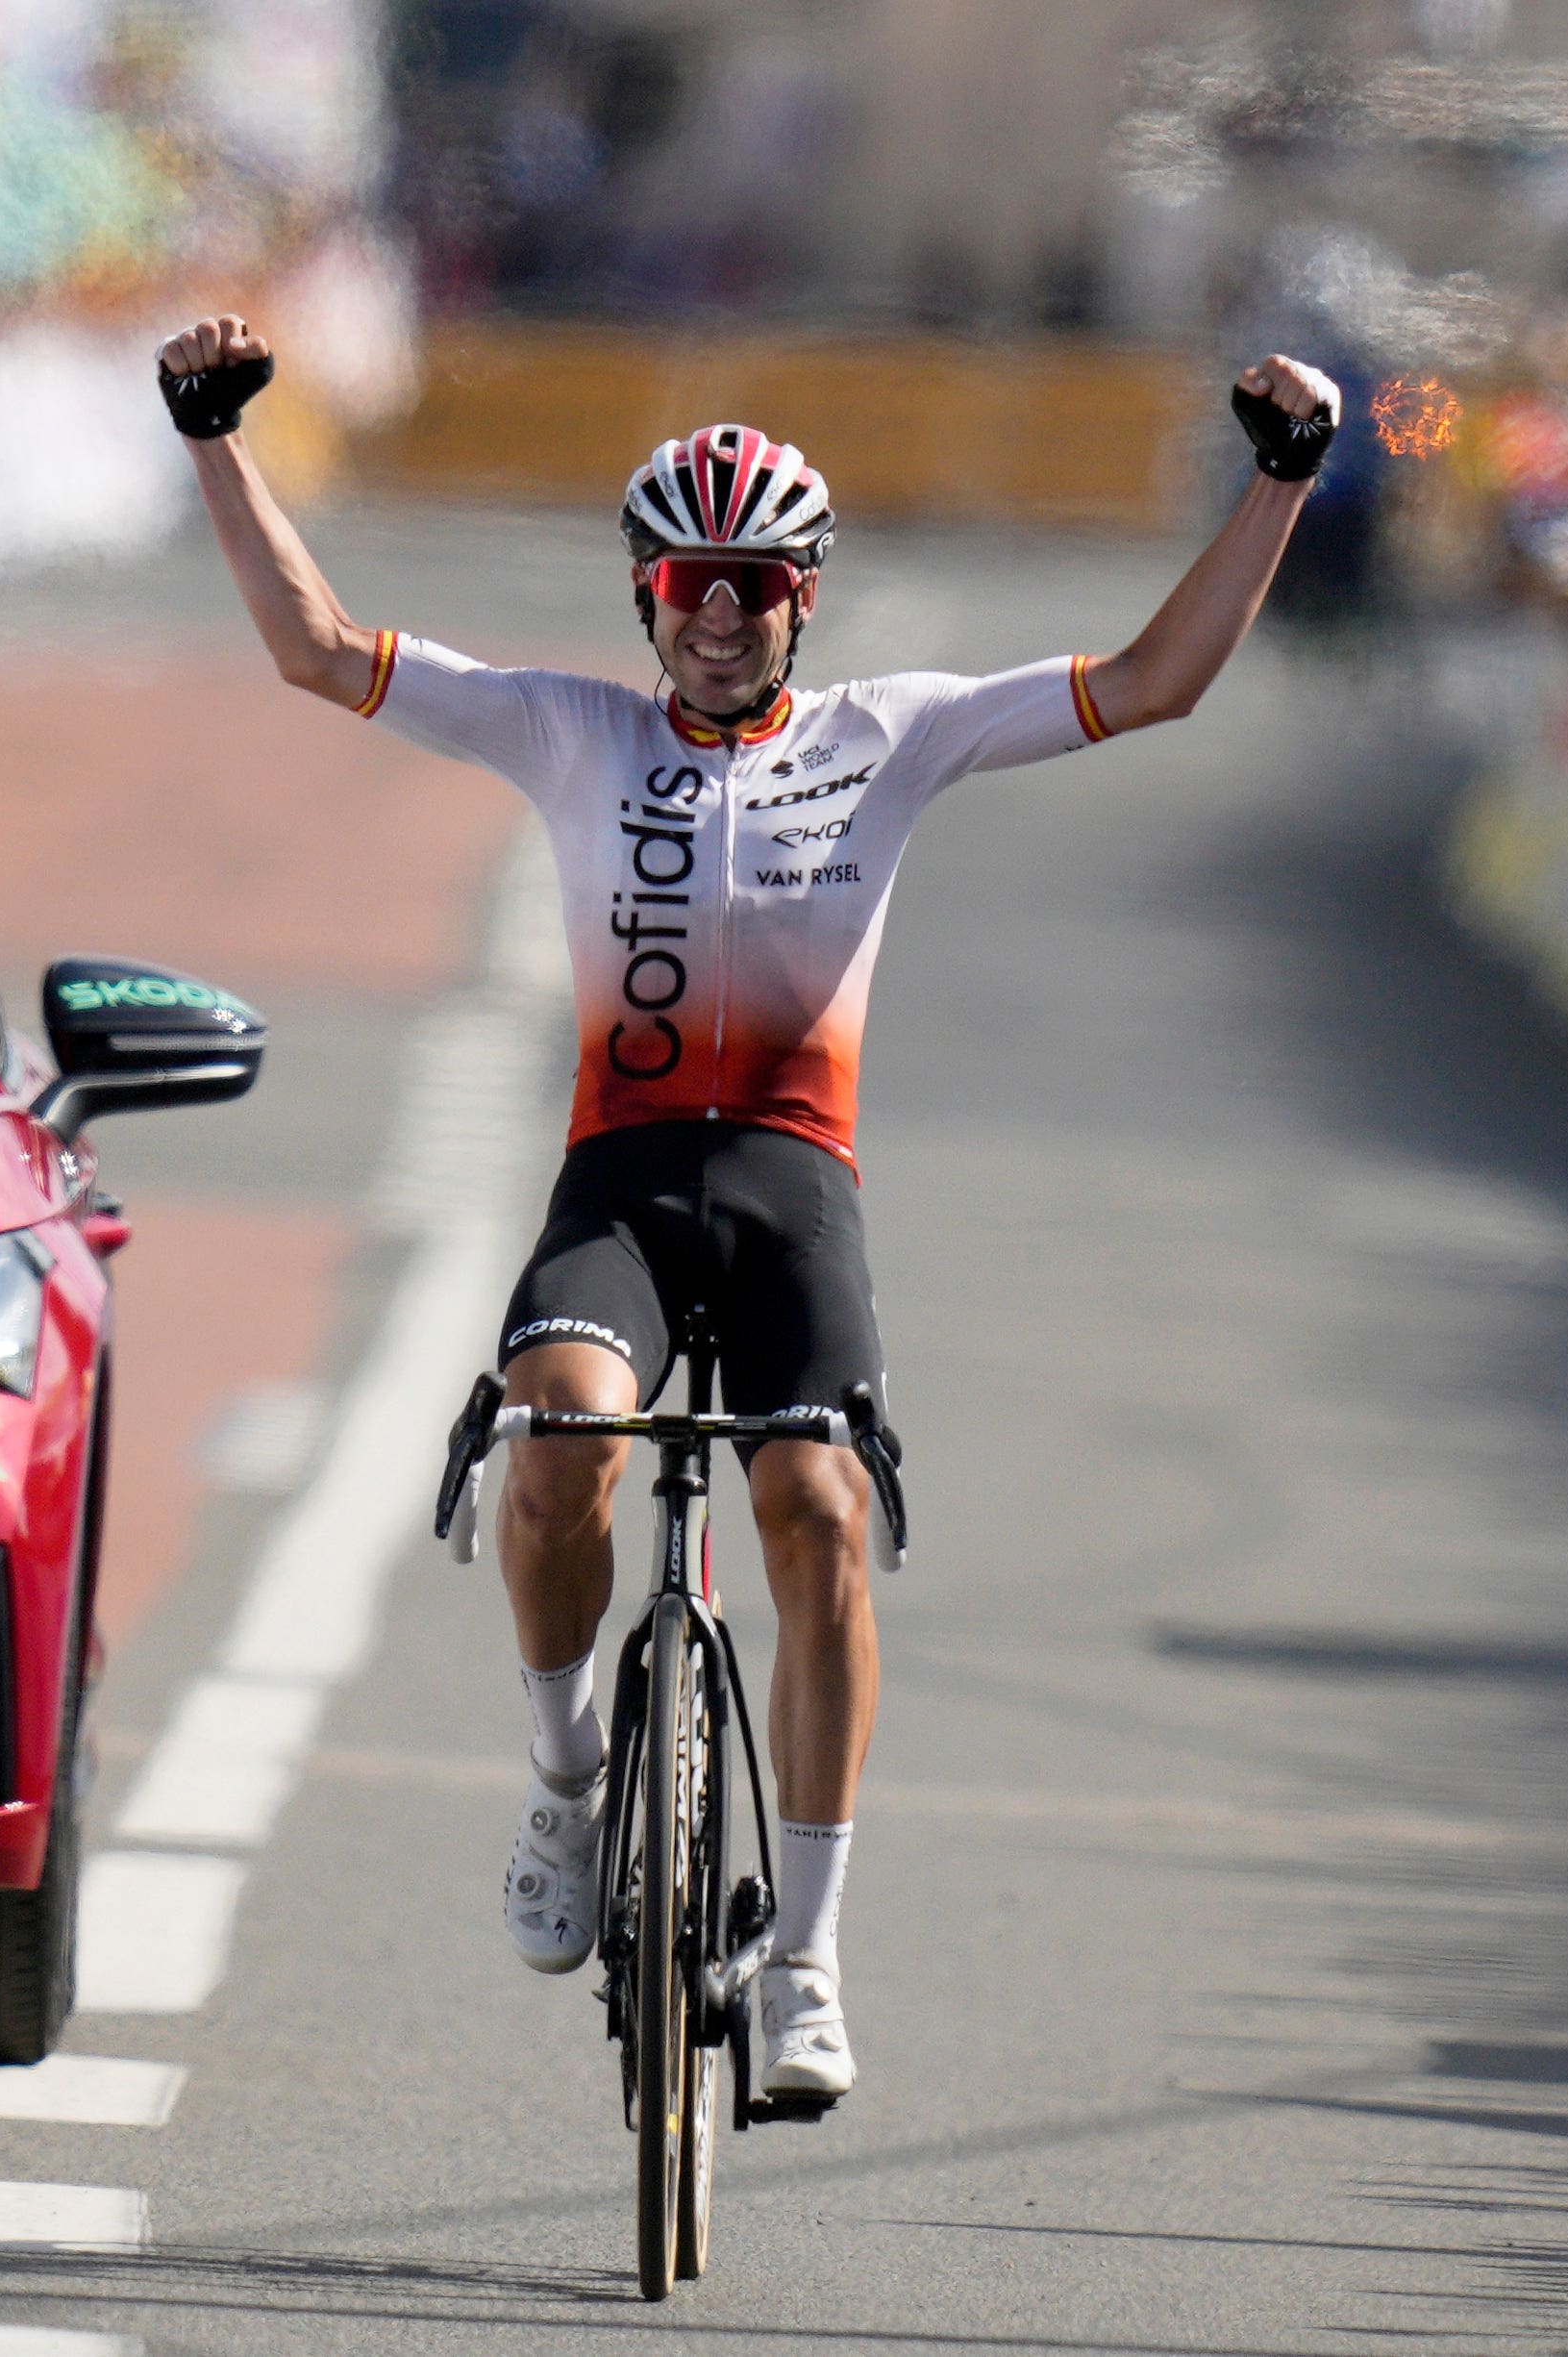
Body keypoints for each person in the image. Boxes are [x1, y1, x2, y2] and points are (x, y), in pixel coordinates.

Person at [154, 312, 1338, 2105]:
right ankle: (565, 1789)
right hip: (621, 1189)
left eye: (763, 582)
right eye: (695, 578)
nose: (725, 611)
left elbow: (1154, 680)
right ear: (647, 593)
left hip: (795, 1190)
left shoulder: (897, 737)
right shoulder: (567, 733)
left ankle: (803, 1955)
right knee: (558, 1447)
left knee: (818, 1508)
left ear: (807, 599)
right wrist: (216, 435)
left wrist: (1281, 480)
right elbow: (322, 653)